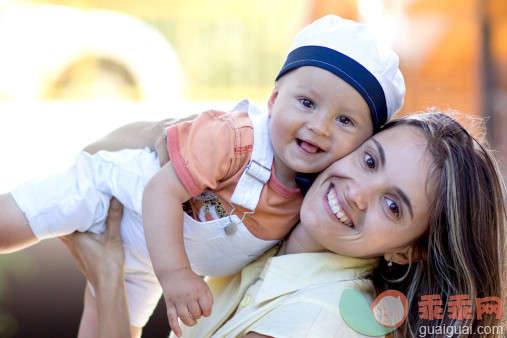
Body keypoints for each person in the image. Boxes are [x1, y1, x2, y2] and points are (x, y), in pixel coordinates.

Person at [0, 15, 405, 336]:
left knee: (113, 325)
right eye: (306, 102)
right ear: (274, 98)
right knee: (13, 224)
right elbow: (160, 191)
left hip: (146, 262)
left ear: (363, 141)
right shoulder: (237, 139)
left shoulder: (314, 199)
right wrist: (176, 275)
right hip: (113, 197)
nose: (319, 126)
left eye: (345, 120)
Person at [62, 111, 506, 337]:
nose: (356, 192)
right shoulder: (260, 231)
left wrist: (107, 275)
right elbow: (91, 155)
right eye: (369, 160)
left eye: (392, 207)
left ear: (405, 251)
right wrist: (176, 138)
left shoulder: (314, 321)